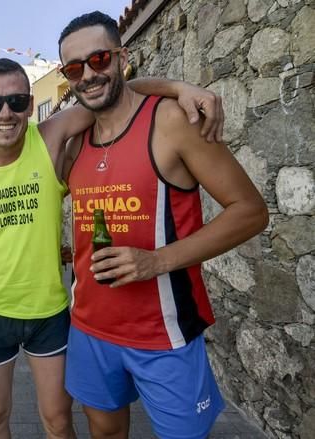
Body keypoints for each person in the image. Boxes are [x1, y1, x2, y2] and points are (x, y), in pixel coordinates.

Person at [0, 56, 224, 439]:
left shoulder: (50, 137)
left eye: (17, 101)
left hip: (50, 311)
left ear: (29, 104)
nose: (5, 113)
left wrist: (179, 88)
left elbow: (114, 95)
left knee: (58, 422)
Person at [59, 12, 268, 439]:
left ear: (122, 57)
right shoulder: (74, 140)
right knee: (103, 430)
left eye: (99, 59)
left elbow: (249, 210)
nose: (89, 75)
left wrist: (157, 261)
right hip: (89, 326)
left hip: (164, 331)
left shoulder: (171, 121)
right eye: (75, 68)